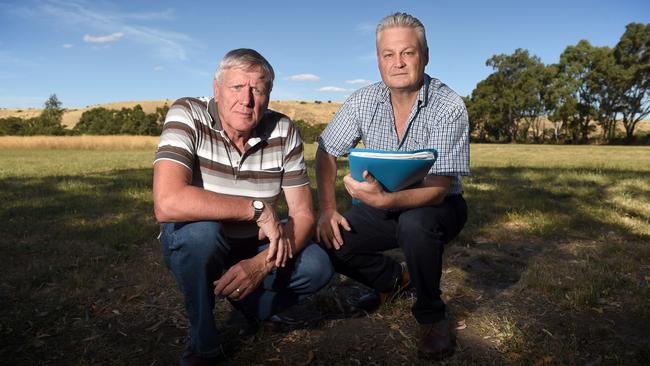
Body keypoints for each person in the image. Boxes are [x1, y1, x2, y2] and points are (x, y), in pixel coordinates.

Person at [153, 48, 333, 365]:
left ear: (268, 95)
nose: (246, 100)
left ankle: (249, 303)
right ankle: (203, 342)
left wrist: (261, 264)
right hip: (201, 237)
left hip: (254, 243)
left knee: (318, 266)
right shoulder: (187, 113)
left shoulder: (284, 130)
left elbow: (303, 214)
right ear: (216, 88)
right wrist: (257, 208)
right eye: (237, 87)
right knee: (201, 237)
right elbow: (167, 202)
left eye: (257, 90)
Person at [315, 12, 469, 360]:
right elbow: (326, 150)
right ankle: (392, 280)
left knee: (415, 223)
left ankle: (431, 315)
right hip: (381, 204)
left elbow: (439, 187)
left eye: (408, 53)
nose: (397, 63)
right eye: (388, 54)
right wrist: (327, 209)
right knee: (328, 238)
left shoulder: (449, 106)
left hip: (437, 206)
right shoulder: (362, 101)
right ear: (378, 59)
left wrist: (386, 202)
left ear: (424, 56)